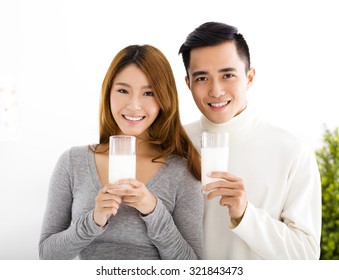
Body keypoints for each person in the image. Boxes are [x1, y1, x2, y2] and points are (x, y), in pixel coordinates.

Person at [39, 44, 204, 260]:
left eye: (148, 93)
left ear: (164, 99)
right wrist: (93, 220)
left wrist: (154, 211)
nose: (134, 105)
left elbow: (194, 267)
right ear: (108, 92)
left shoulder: (181, 171)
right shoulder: (73, 162)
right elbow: (47, 254)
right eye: (123, 90)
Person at [178, 22, 321, 259]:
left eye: (228, 75)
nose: (215, 91)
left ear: (249, 77)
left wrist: (245, 214)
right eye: (202, 78)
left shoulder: (292, 152)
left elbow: (305, 255)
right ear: (188, 83)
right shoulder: (173, 144)